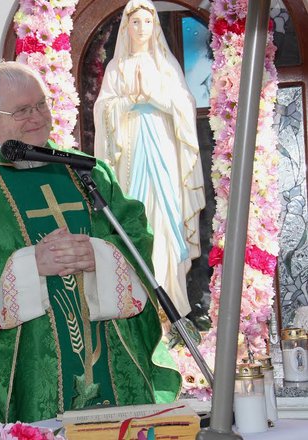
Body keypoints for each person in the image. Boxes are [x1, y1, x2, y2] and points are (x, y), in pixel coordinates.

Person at [0, 61, 181, 427]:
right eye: (20, 110)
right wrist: (29, 266)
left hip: (109, 353)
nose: (36, 117)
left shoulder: (86, 172)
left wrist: (99, 255)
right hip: (27, 369)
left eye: (40, 105)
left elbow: (133, 234)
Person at [93, 0, 205, 317]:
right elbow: (102, 110)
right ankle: (143, 306)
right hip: (130, 155)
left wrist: (156, 98)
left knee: (167, 219)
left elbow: (184, 105)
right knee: (137, 217)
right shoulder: (117, 69)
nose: (142, 29)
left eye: (147, 22)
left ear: (154, 26)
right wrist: (126, 102)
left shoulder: (165, 66)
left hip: (164, 153)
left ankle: (174, 299)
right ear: (126, 28)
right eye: (136, 22)